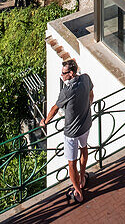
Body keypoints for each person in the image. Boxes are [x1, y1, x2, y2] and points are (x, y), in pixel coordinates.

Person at [42, 58, 94, 204]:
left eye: (64, 73)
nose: (62, 75)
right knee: (84, 149)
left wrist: (45, 121)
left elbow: (54, 108)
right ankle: (82, 178)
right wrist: (86, 106)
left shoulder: (67, 90)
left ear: (71, 73)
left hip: (71, 131)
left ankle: (78, 191)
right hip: (86, 124)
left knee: (71, 163)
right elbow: (91, 94)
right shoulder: (85, 78)